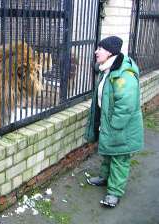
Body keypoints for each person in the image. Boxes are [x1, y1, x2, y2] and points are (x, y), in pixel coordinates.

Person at [84, 36, 144, 208]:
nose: (96, 52)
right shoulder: (108, 69)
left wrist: (113, 126)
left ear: (109, 53)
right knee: (109, 153)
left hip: (122, 127)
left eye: (100, 49)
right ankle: (104, 177)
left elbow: (126, 105)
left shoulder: (124, 75)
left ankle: (114, 192)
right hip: (111, 123)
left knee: (119, 159)